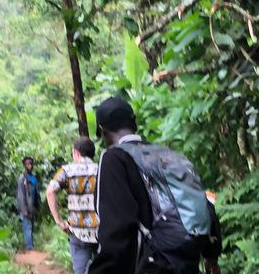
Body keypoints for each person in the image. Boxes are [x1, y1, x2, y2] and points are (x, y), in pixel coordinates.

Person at [88, 96, 221, 274]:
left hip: (152, 265)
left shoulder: (113, 157)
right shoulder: (164, 153)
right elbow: (201, 202)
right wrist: (211, 255)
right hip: (186, 261)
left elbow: (115, 227)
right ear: (133, 125)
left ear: (102, 131)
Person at [47, 137, 99, 274]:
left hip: (77, 232)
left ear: (76, 152)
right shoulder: (102, 170)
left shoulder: (67, 170)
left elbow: (50, 191)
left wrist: (59, 221)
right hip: (101, 232)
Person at [16, 156, 41, 251]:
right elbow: (20, 195)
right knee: (27, 227)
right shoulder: (22, 178)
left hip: (31, 207)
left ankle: (30, 245)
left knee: (31, 227)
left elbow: (36, 192)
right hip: (25, 208)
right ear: (24, 165)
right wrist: (24, 210)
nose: (30, 166)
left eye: (31, 163)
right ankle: (29, 248)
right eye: (27, 164)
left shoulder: (33, 178)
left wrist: (38, 204)